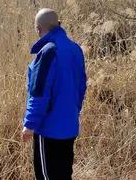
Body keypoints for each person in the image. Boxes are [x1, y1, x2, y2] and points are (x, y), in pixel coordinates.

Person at [21, 9, 87, 180]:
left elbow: (39, 92)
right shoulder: (75, 49)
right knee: (63, 175)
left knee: (46, 176)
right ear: (58, 24)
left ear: (38, 29)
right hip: (69, 126)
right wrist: (73, 111)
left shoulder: (48, 51)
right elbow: (81, 87)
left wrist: (30, 124)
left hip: (48, 129)